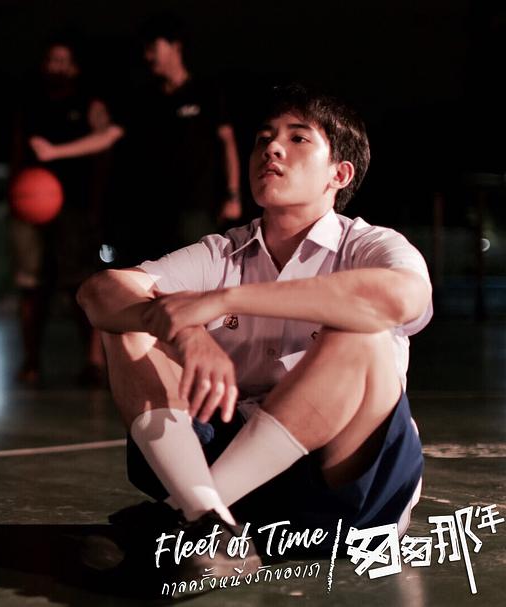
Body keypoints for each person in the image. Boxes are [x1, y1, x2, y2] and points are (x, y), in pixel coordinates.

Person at [77, 84, 430, 591]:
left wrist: (224, 301)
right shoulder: (224, 250)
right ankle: (207, 520)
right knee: (132, 321)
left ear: (339, 174)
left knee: (364, 332)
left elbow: (400, 299)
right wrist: (186, 332)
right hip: (247, 495)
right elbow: (100, 292)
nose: (272, 148)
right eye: (264, 138)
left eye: (297, 138)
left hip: (343, 494)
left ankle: (185, 520)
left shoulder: (371, 245)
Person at [10, 37, 122, 386]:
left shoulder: (90, 104)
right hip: (32, 209)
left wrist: (96, 206)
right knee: (32, 288)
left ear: (75, 67)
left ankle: (93, 363)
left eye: (63, 60)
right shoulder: (30, 104)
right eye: (51, 59)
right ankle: (31, 362)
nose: (56, 66)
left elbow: (106, 141)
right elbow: (17, 151)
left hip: (75, 210)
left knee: (81, 286)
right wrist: (15, 198)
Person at [104, 13, 242, 267]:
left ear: (175, 46)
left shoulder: (206, 91)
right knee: (152, 275)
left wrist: (233, 194)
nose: (148, 56)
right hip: (152, 209)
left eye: (153, 48)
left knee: (197, 274)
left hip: (197, 206)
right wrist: (55, 151)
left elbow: (228, 143)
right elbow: (109, 135)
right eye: (145, 50)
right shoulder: (145, 97)